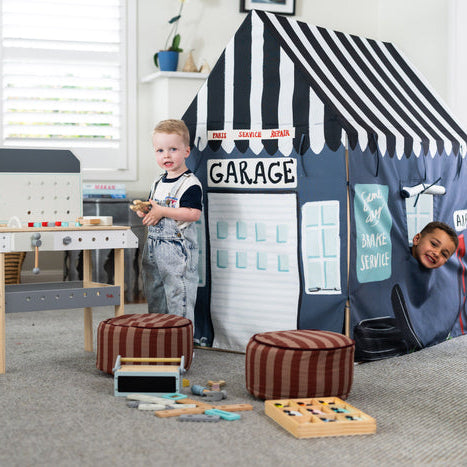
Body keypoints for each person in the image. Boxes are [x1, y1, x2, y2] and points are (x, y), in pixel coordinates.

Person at [136, 119, 202, 325]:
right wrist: (146, 211)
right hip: (153, 247)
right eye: (160, 150)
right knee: (155, 292)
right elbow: (154, 208)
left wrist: (162, 211)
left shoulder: (190, 184)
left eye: (173, 149)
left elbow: (193, 214)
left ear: (186, 151)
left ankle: (181, 338)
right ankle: (160, 334)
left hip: (176, 250)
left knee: (178, 295)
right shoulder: (158, 182)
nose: (166, 155)